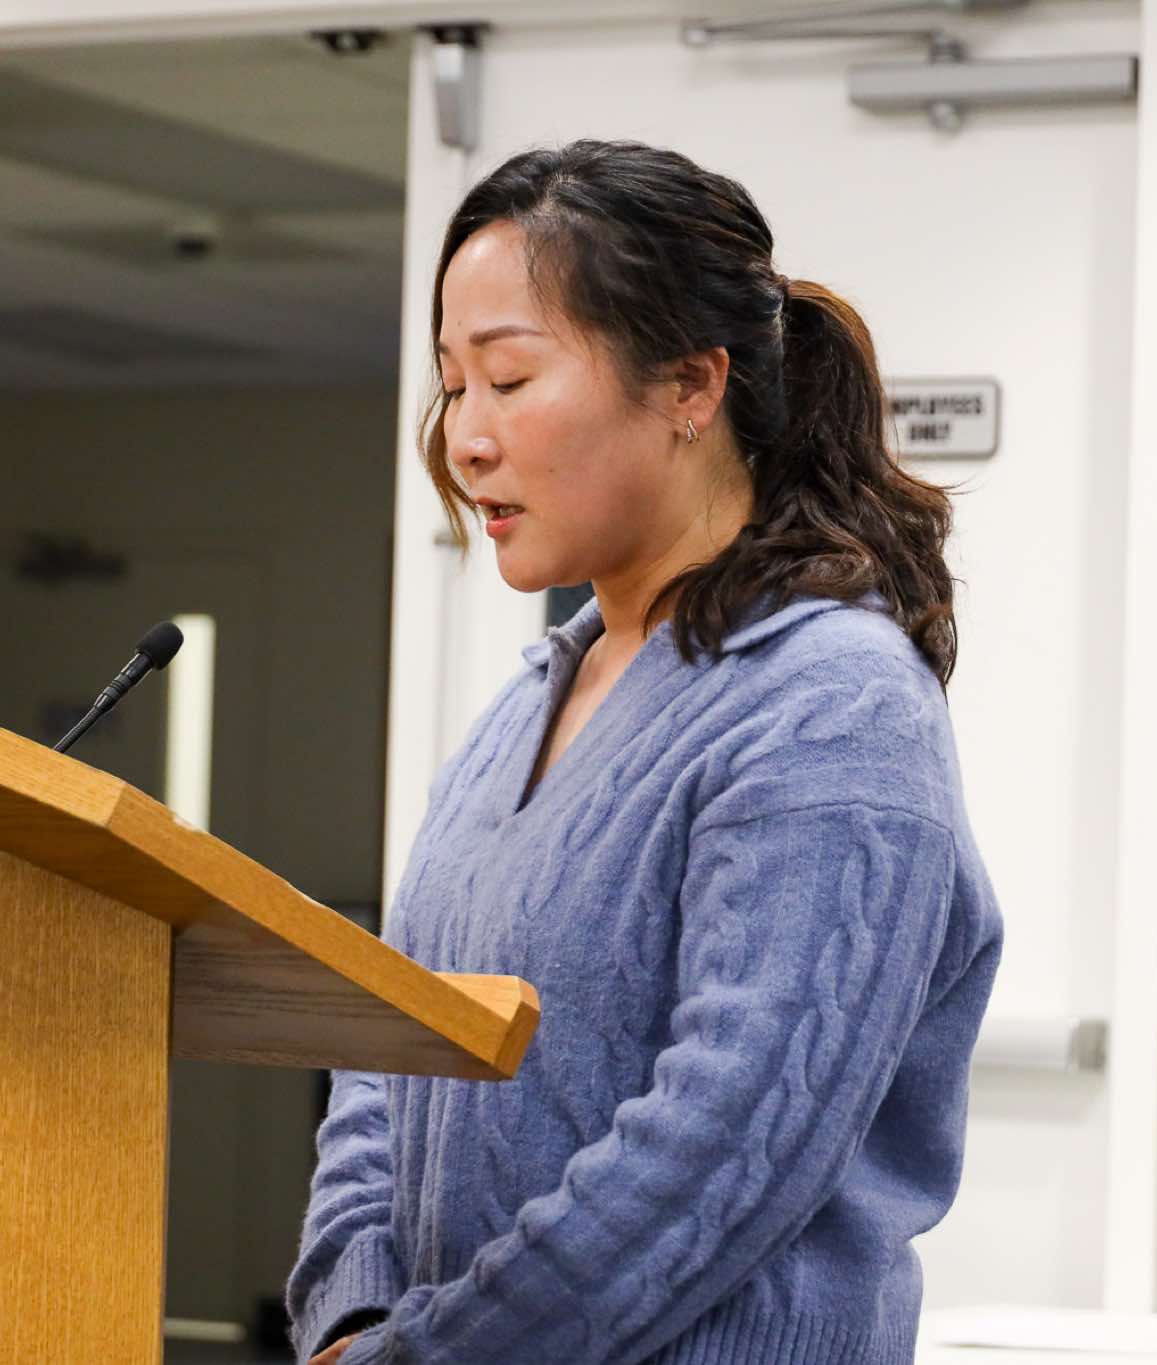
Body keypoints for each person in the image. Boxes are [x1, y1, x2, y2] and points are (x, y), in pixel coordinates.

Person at [287, 139, 1002, 1365]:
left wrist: (427, 1356)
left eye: (508, 378)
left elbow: (719, 1153)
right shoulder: (527, 705)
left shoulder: (831, 703)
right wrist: (350, 1315)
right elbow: (382, 1054)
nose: (464, 439)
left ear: (688, 385)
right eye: (452, 386)